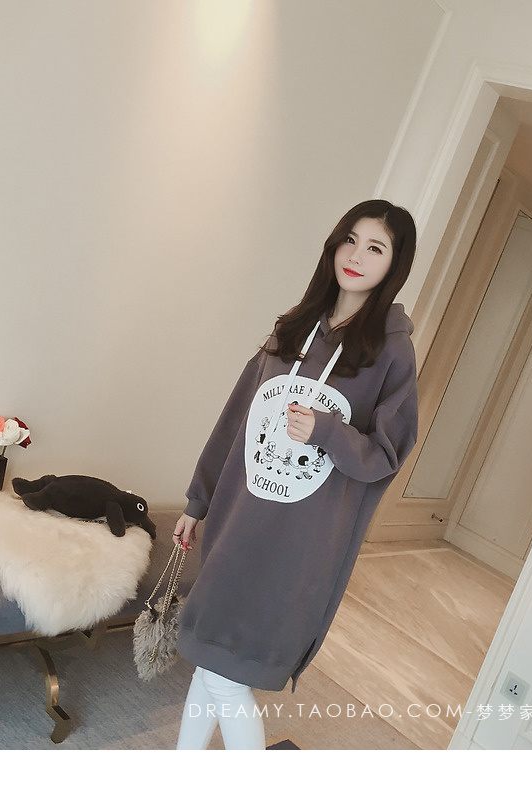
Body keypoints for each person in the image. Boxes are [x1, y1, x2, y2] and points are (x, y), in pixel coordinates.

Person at [173, 199, 419, 750]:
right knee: (211, 661)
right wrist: (198, 501)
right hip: (239, 519)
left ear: (394, 265)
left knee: (227, 674)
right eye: (349, 240)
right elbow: (237, 419)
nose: (356, 256)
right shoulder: (295, 326)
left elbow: (386, 454)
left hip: (300, 541)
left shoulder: (391, 352)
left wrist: (328, 431)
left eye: (375, 248)